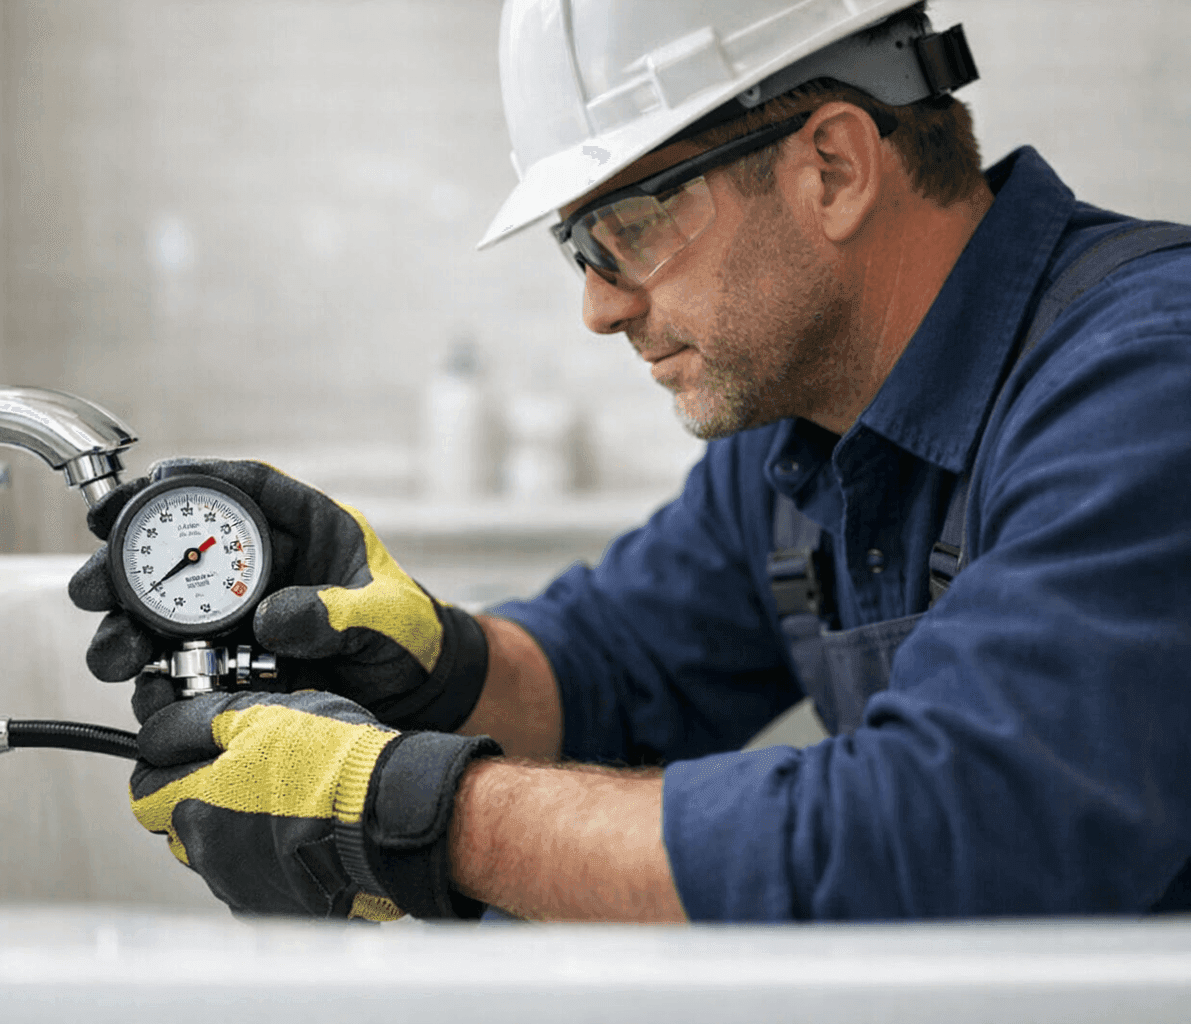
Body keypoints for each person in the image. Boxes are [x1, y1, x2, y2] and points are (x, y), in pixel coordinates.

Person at [69, 0, 1191, 922]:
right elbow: (613, 666)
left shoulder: (1147, 378)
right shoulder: (802, 433)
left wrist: (419, 813)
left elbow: (952, 831)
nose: (600, 308)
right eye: (581, 250)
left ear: (835, 167)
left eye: (633, 226)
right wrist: (438, 664)